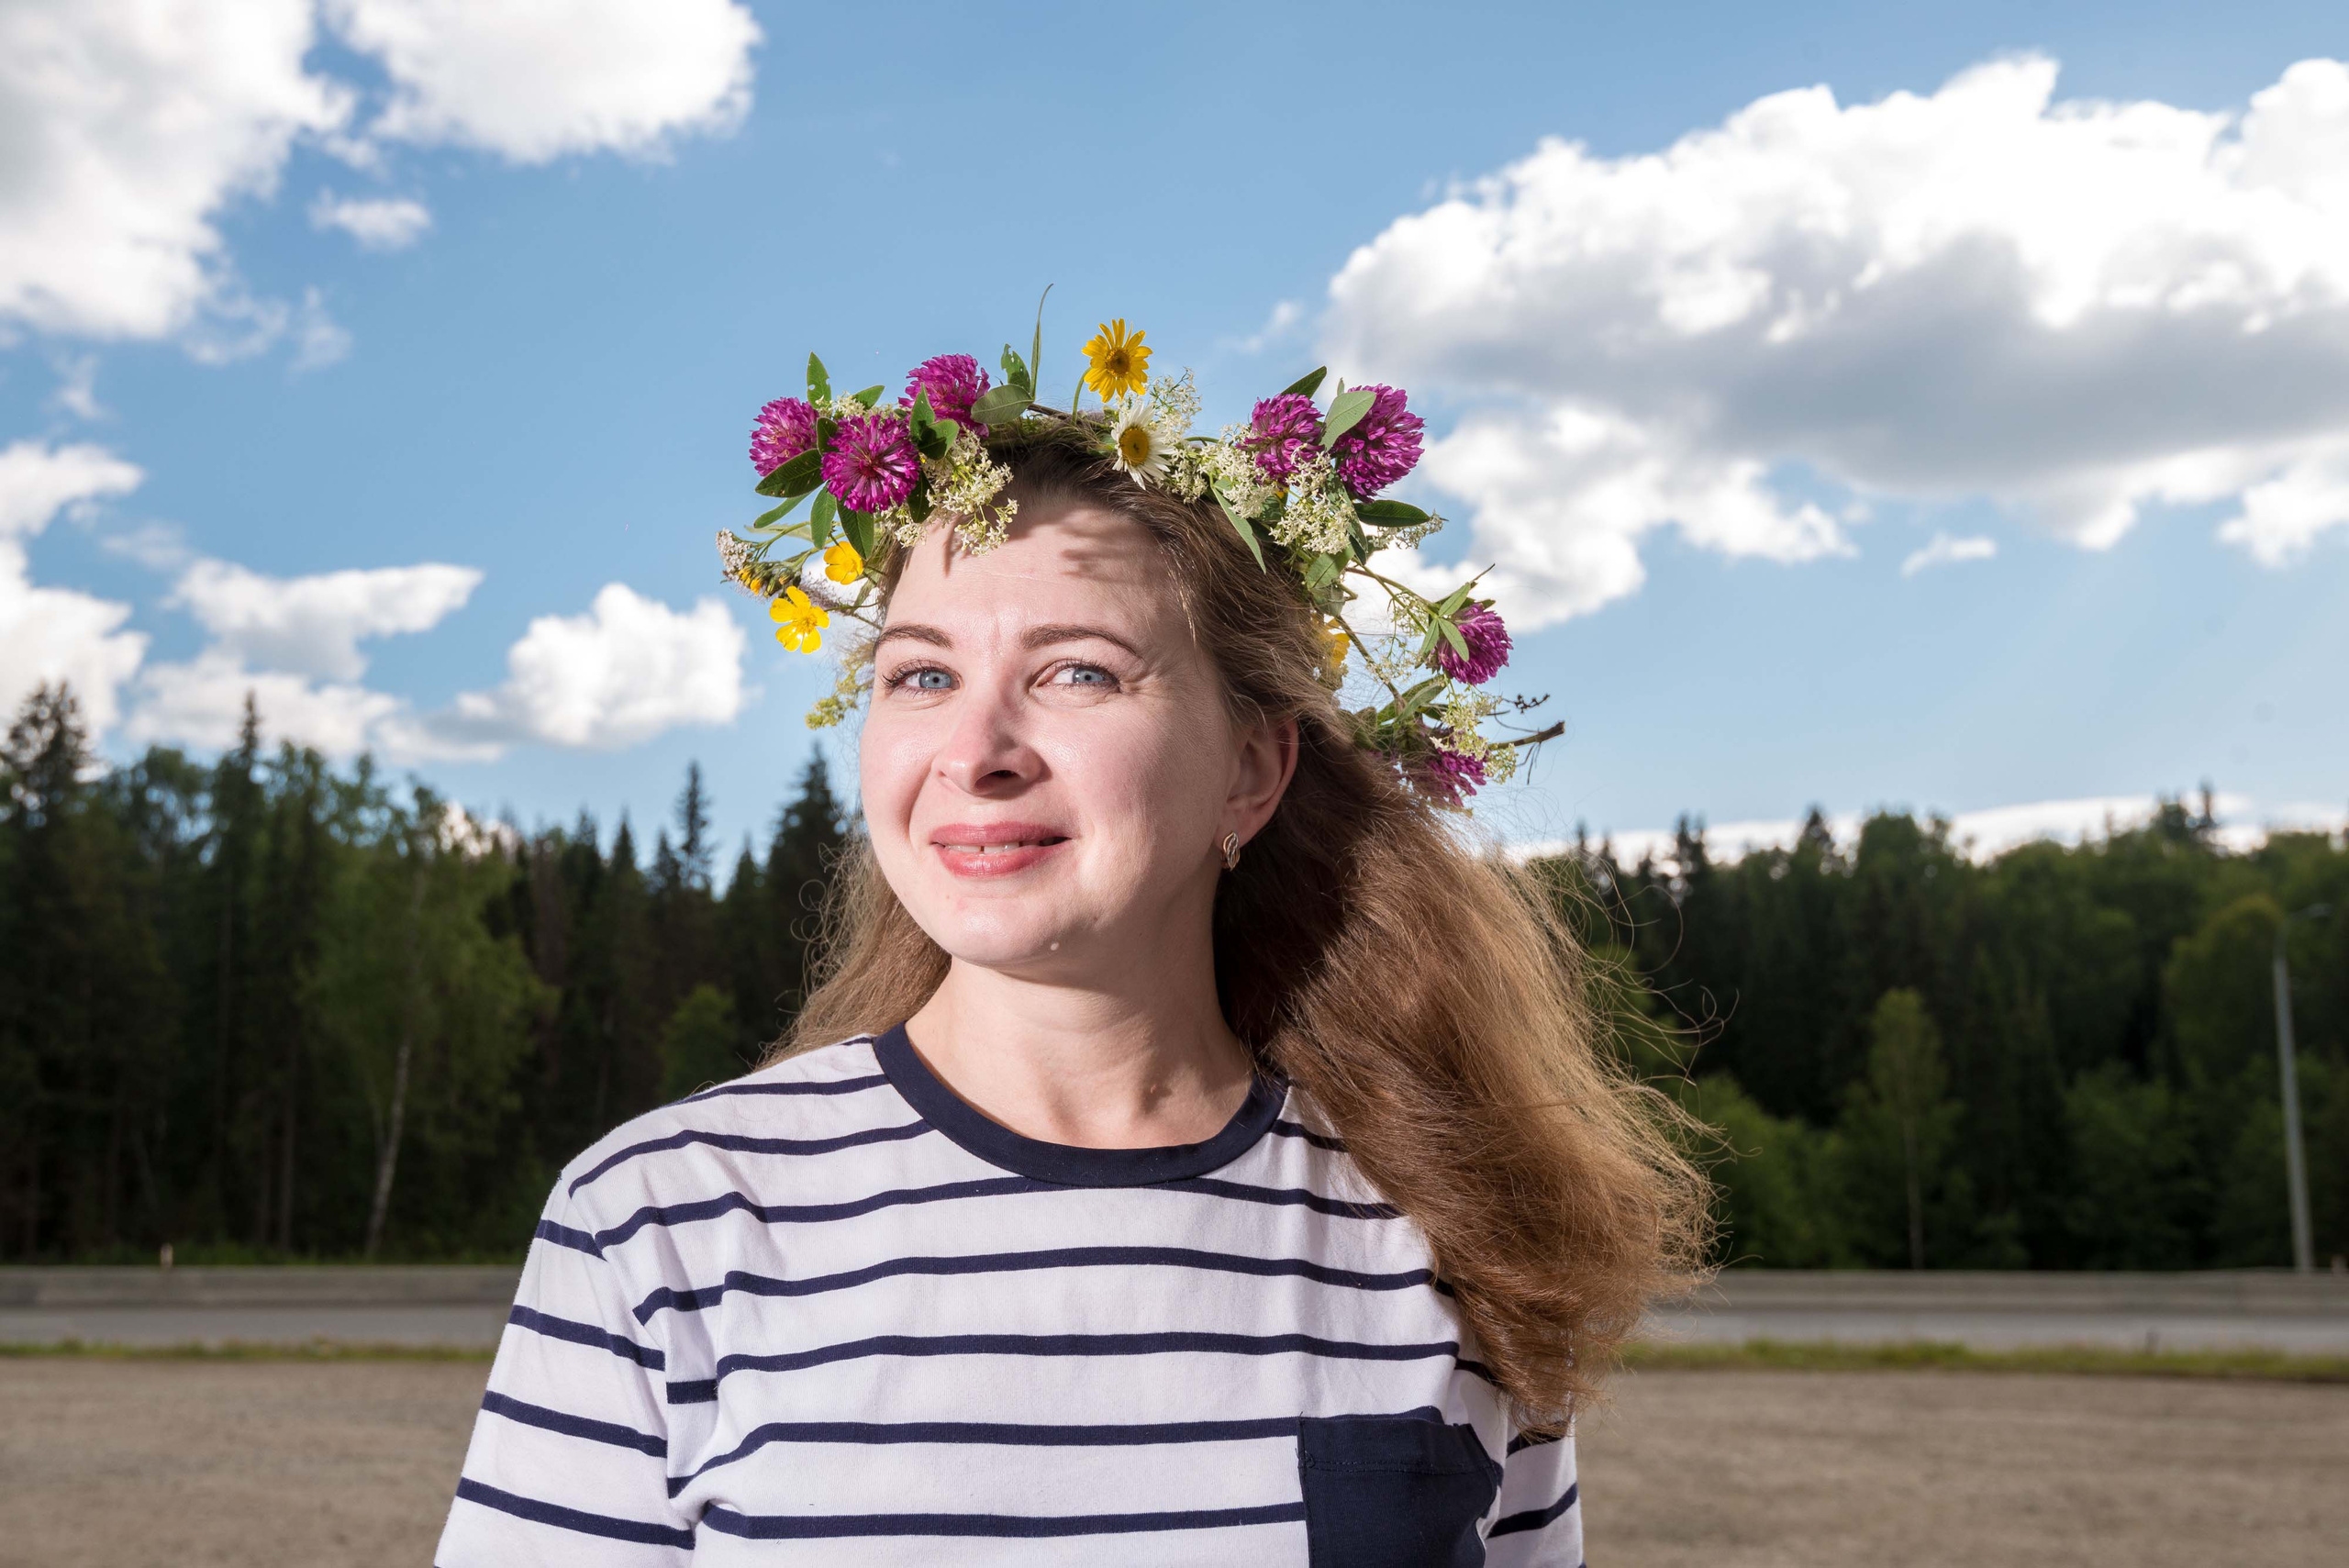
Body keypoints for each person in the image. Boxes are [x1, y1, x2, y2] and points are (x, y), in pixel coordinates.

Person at [436, 324, 1709, 1565]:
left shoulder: (1455, 1242)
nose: (975, 751)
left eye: (1079, 672)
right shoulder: (660, 1227)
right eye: (922, 675)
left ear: (1252, 770)